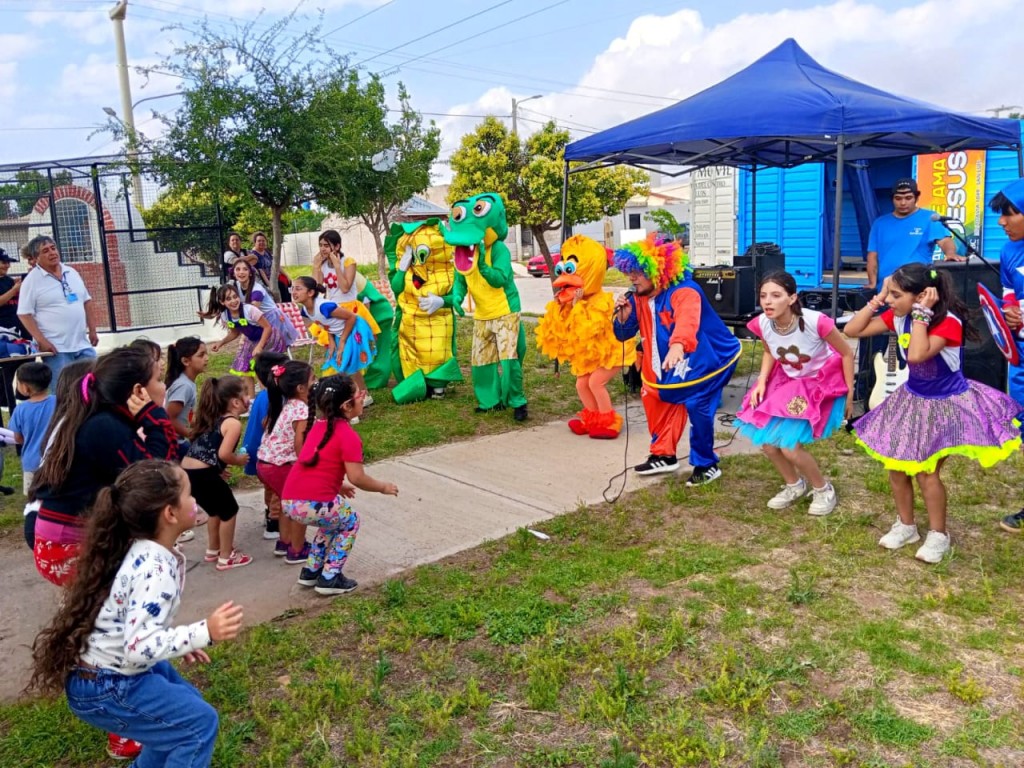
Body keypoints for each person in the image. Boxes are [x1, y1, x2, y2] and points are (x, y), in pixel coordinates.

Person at [29, 460, 244, 767]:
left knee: (186, 710)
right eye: (189, 495)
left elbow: (136, 623)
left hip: (110, 671)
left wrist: (179, 640)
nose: (195, 501)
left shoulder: (140, 547)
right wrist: (204, 632)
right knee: (197, 725)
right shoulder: (154, 567)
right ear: (170, 514)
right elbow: (138, 647)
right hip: (108, 683)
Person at [845, 264, 1022, 563]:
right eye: (890, 294)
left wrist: (921, 316)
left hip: (946, 403)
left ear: (923, 296)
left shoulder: (947, 323)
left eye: (896, 295)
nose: (890, 300)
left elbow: (916, 356)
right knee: (896, 467)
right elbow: (852, 330)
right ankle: (906, 525)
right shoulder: (898, 315)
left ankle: (939, 534)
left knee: (927, 472)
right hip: (913, 399)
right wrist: (879, 298)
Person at [30, 345, 175, 586]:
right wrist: (154, 417)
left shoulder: (106, 420)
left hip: (67, 538)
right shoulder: (105, 426)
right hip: (68, 545)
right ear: (139, 391)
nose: (164, 387)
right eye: (159, 380)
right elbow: (157, 475)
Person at [613, 234, 742, 484]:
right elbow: (623, 334)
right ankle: (664, 454)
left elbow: (687, 321)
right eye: (630, 272)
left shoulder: (685, 292)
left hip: (710, 358)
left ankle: (707, 464)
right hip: (667, 362)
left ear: (659, 271)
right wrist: (623, 316)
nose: (632, 278)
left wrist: (678, 345)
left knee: (696, 403)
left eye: (638, 272)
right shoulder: (638, 297)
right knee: (655, 395)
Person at [735, 272, 854, 515]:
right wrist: (761, 381)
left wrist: (850, 392)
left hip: (819, 383)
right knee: (768, 444)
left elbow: (846, 353)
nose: (767, 301)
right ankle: (794, 485)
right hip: (787, 380)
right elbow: (770, 351)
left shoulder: (816, 321)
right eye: (764, 296)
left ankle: (823, 489)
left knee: (790, 446)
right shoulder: (761, 323)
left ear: (792, 298)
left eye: (776, 296)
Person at [282, 374, 398, 596]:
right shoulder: (348, 435)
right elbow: (358, 477)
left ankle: (311, 570)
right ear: (346, 406)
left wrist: (337, 486)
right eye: (359, 395)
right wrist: (383, 487)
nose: (363, 398)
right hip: (314, 502)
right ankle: (330, 576)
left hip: (291, 501)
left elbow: (314, 467)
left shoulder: (318, 427)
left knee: (332, 522)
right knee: (350, 522)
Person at [982, 179, 1024, 532]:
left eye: (1009, 214)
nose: (1001, 221)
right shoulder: (1009, 251)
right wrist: (1008, 311)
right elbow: (1008, 293)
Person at [181, 375, 252, 571]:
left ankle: (213, 550)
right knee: (229, 511)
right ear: (236, 402)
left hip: (190, 472)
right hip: (204, 475)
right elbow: (224, 453)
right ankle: (226, 557)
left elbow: (207, 450)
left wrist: (217, 470)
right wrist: (238, 460)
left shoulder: (213, 418)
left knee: (215, 511)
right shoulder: (233, 424)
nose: (249, 398)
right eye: (246, 393)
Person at [16, 235, 99, 384]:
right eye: (45, 251)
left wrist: (92, 330)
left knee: (95, 385)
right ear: (36, 258)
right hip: (56, 348)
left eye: (53, 248)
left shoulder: (71, 272)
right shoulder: (32, 280)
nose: (52, 253)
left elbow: (87, 301)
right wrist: (42, 341)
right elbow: (24, 313)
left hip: (82, 344)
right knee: (63, 391)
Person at [256, 360, 314, 562]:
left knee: (285, 503)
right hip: (280, 466)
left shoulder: (288, 405)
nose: (315, 384)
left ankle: (285, 542)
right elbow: (300, 441)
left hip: (265, 463)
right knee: (299, 505)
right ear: (300, 388)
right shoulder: (301, 410)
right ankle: (296, 549)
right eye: (312, 380)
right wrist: (306, 463)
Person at [201, 283, 289, 401]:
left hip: (268, 338)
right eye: (228, 299)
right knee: (245, 369)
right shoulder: (225, 316)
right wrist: (221, 343)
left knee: (260, 367)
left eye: (235, 296)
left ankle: (268, 398)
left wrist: (259, 347)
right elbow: (235, 333)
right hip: (251, 340)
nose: (233, 301)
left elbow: (267, 328)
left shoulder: (250, 310)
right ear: (222, 302)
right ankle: (252, 401)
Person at [291, 276, 375, 399]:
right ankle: (363, 395)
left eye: (298, 289)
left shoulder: (324, 307)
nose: (294, 292)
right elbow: (327, 323)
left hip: (353, 330)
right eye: (292, 288)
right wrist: (331, 341)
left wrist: (342, 341)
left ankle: (357, 397)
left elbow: (352, 317)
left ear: (310, 292)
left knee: (347, 365)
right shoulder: (305, 311)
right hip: (338, 333)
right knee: (347, 366)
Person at [242, 352, 290, 541]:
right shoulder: (276, 398)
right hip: (269, 455)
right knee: (279, 489)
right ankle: (274, 524)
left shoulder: (263, 396)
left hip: (255, 451)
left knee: (270, 488)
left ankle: (269, 514)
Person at [7, 362, 55, 494]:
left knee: (33, 498)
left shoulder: (20, 409)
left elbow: (17, 437)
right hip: (57, 460)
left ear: (25, 388)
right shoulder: (59, 401)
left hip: (32, 463)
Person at [231, 259, 298, 349]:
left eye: (245, 269)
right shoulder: (236, 285)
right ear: (233, 273)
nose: (241, 272)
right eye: (238, 269)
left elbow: (252, 312)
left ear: (250, 273)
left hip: (271, 320)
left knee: (267, 351)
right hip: (257, 320)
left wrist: (243, 336)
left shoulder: (257, 290)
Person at [164, 336, 209, 454]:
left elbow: (187, 414)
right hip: (174, 443)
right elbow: (169, 418)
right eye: (201, 355)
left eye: (206, 354)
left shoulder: (188, 383)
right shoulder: (183, 386)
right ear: (185, 361)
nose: (207, 358)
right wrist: (192, 434)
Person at [0, 247, 28, 339]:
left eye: (8, 263)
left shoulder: (9, 280)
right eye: (4, 263)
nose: (7, 266)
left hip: (16, 329)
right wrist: (14, 290)